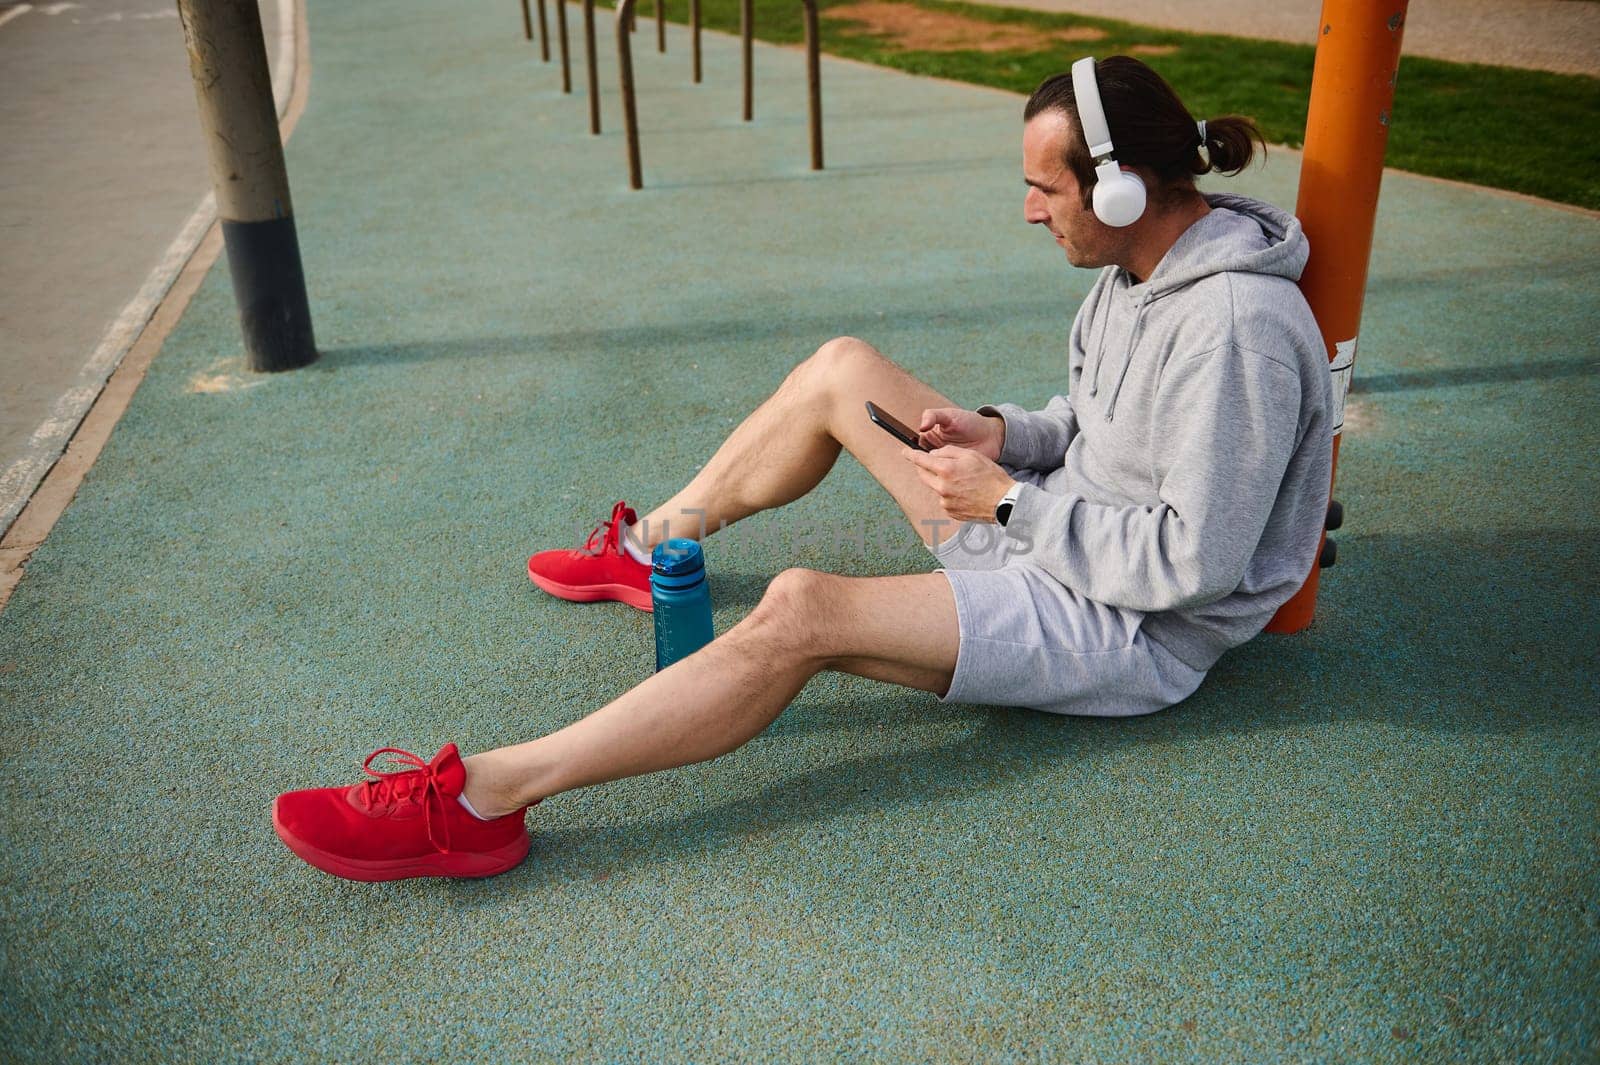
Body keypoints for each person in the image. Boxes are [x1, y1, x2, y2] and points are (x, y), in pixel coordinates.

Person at [271, 56, 1333, 882]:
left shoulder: (1231, 325)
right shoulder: (1141, 270)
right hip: (1053, 531)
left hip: (1127, 626)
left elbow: (1193, 563)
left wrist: (1006, 503)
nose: (1026, 211)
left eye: (1040, 189)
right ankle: (655, 548)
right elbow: (1098, 425)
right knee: (841, 370)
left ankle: (481, 804)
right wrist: (1001, 436)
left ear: (1116, 190)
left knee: (800, 610)